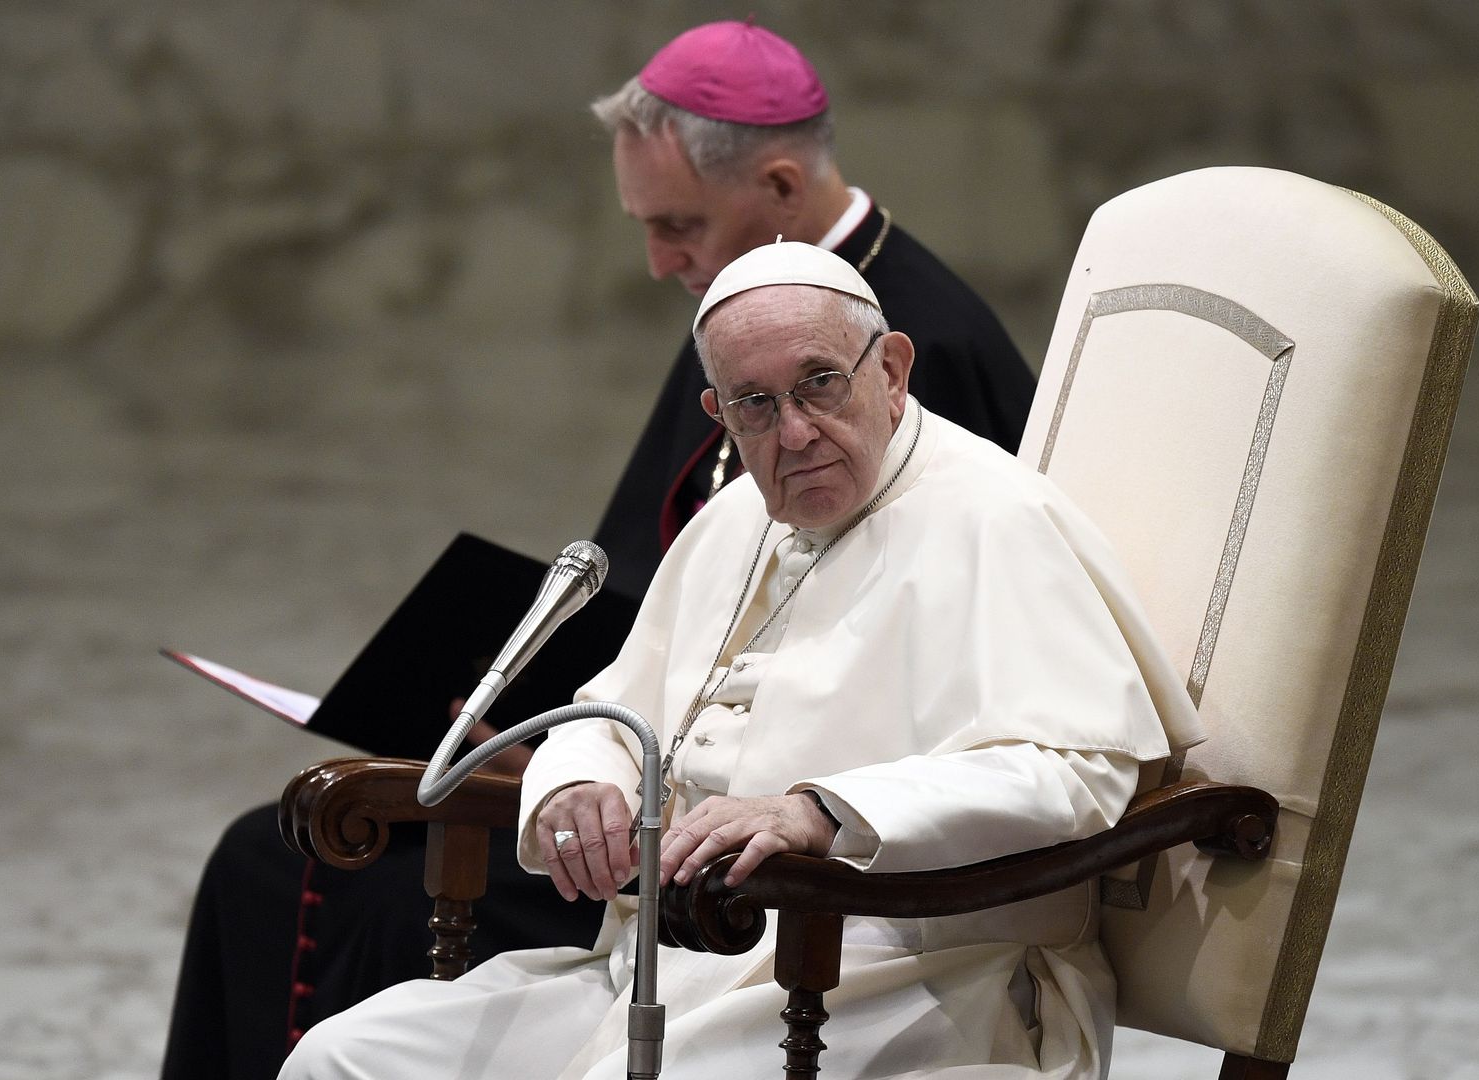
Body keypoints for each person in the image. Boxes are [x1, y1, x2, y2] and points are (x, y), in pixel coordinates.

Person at [161, 20, 1038, 1080]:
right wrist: (560, 736)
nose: (660, 261)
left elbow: (921, 686)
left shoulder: (922, 346)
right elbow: (655, 596)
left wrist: (744, 793)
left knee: (337, 881)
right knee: (269, 856)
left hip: (791, 878)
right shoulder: (746, 312)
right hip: (652, 789)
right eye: (751, 406)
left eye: (678, 224)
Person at [279, 242, 1201, 1080]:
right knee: (344, 1059)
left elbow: (1078, 771)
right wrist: (579, 783)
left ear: (891, 370)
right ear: (719, 414)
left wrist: (822, 812)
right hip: (664, 963)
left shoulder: (996, 519)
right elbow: (613, 712)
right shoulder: (734, 519)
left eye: (819, 385)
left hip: (902, 978)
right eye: (756, 405)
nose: (793, 432)